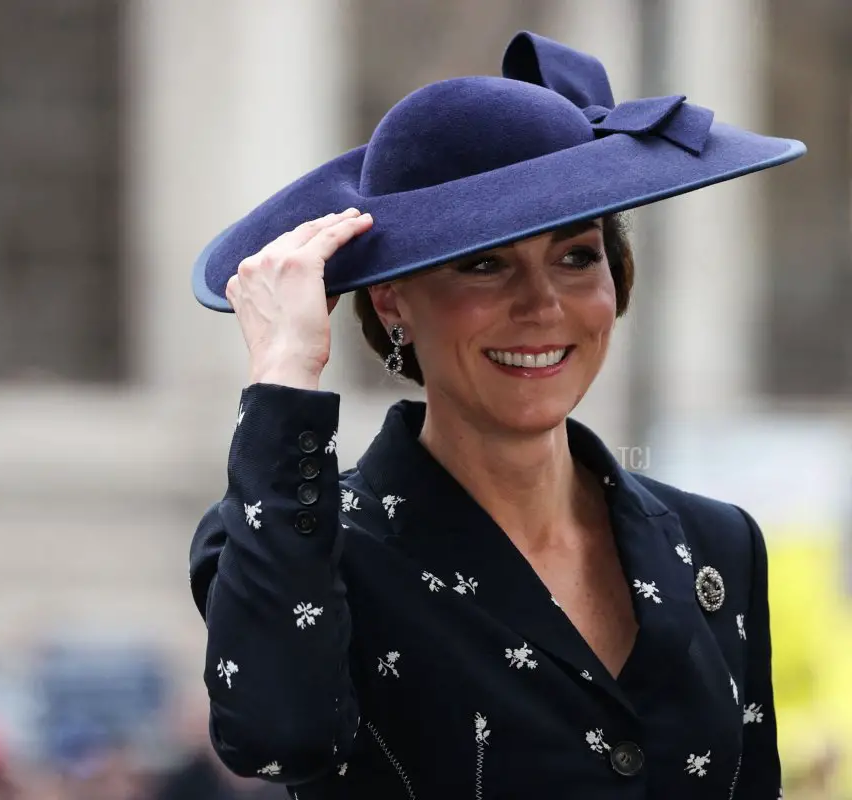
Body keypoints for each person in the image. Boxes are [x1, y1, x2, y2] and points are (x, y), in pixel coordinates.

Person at [186, 31, 806, 798]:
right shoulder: (302, 539)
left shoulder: (720, 543)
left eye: (577, 256)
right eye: (485, 264)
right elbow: (277, 737)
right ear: (392, 300)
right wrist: (285, 376)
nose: (541, 305)